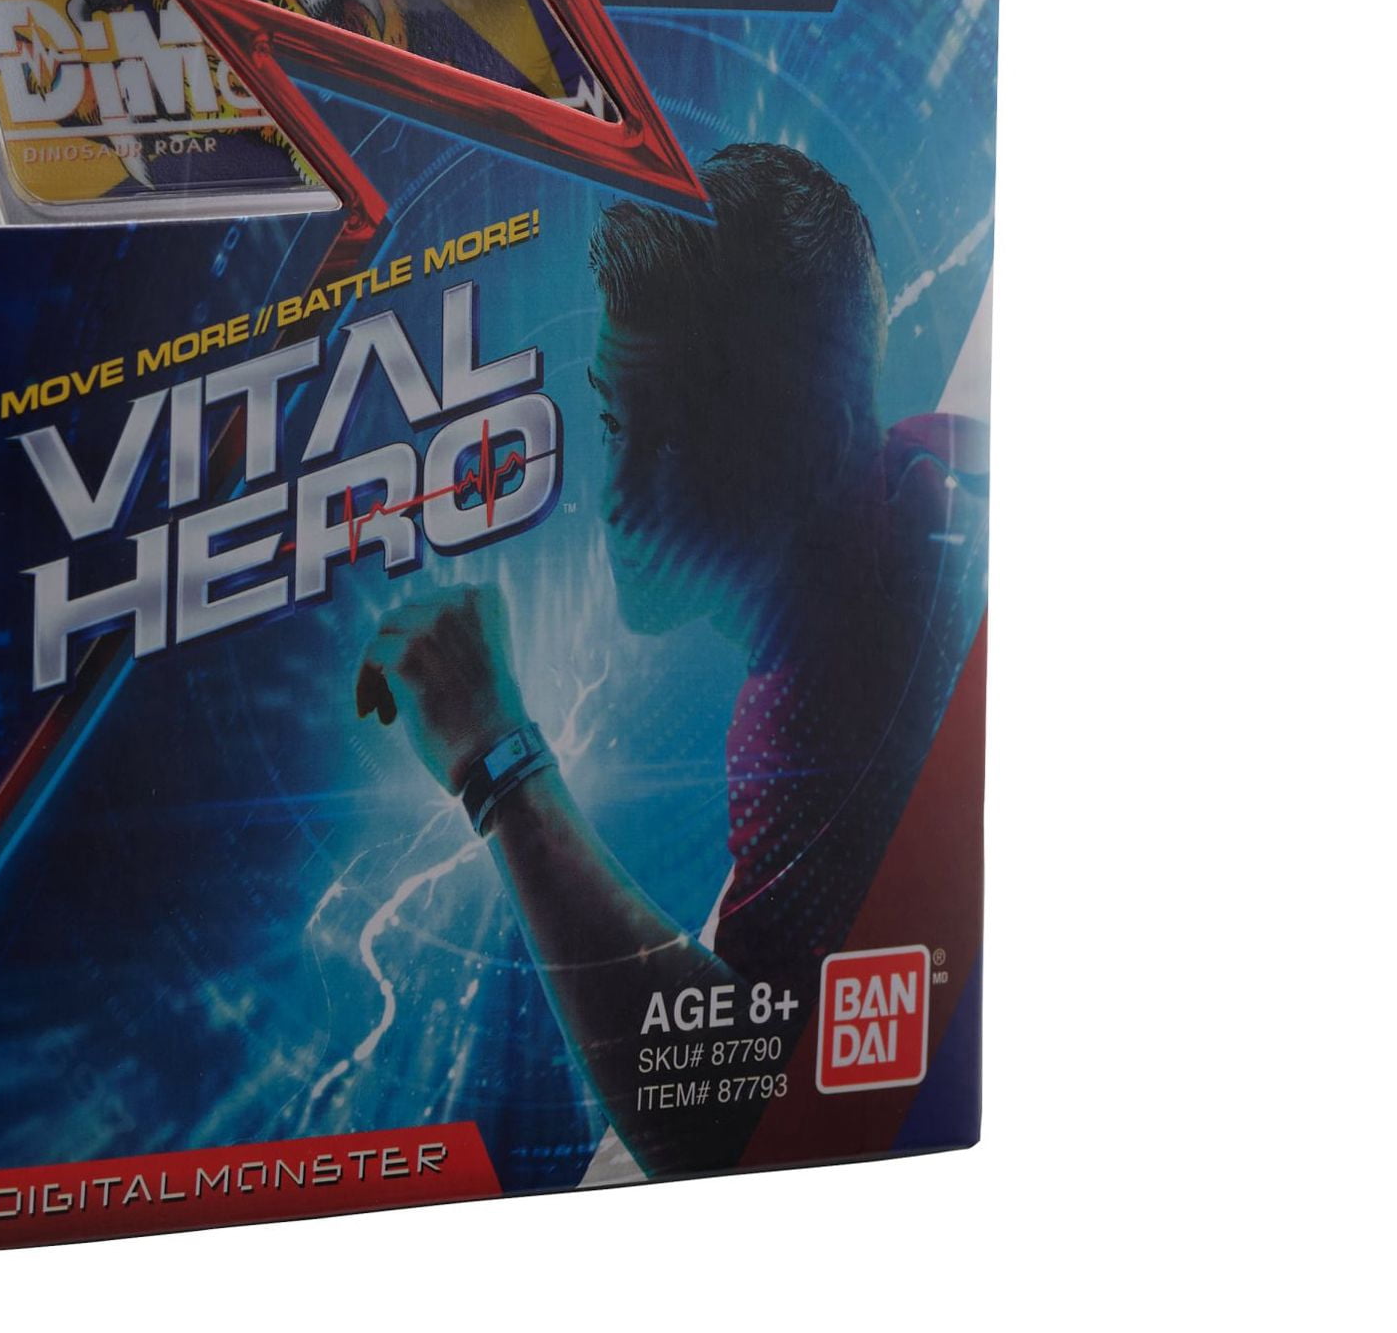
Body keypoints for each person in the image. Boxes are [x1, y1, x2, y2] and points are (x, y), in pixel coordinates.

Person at [358, 143, 984, 1177]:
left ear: (821, 444)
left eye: (675, 441)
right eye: (614, 423)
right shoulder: (925, 474)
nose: (613, 497)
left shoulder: (828, 705)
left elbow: (750, 1133)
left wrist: (496, 760)